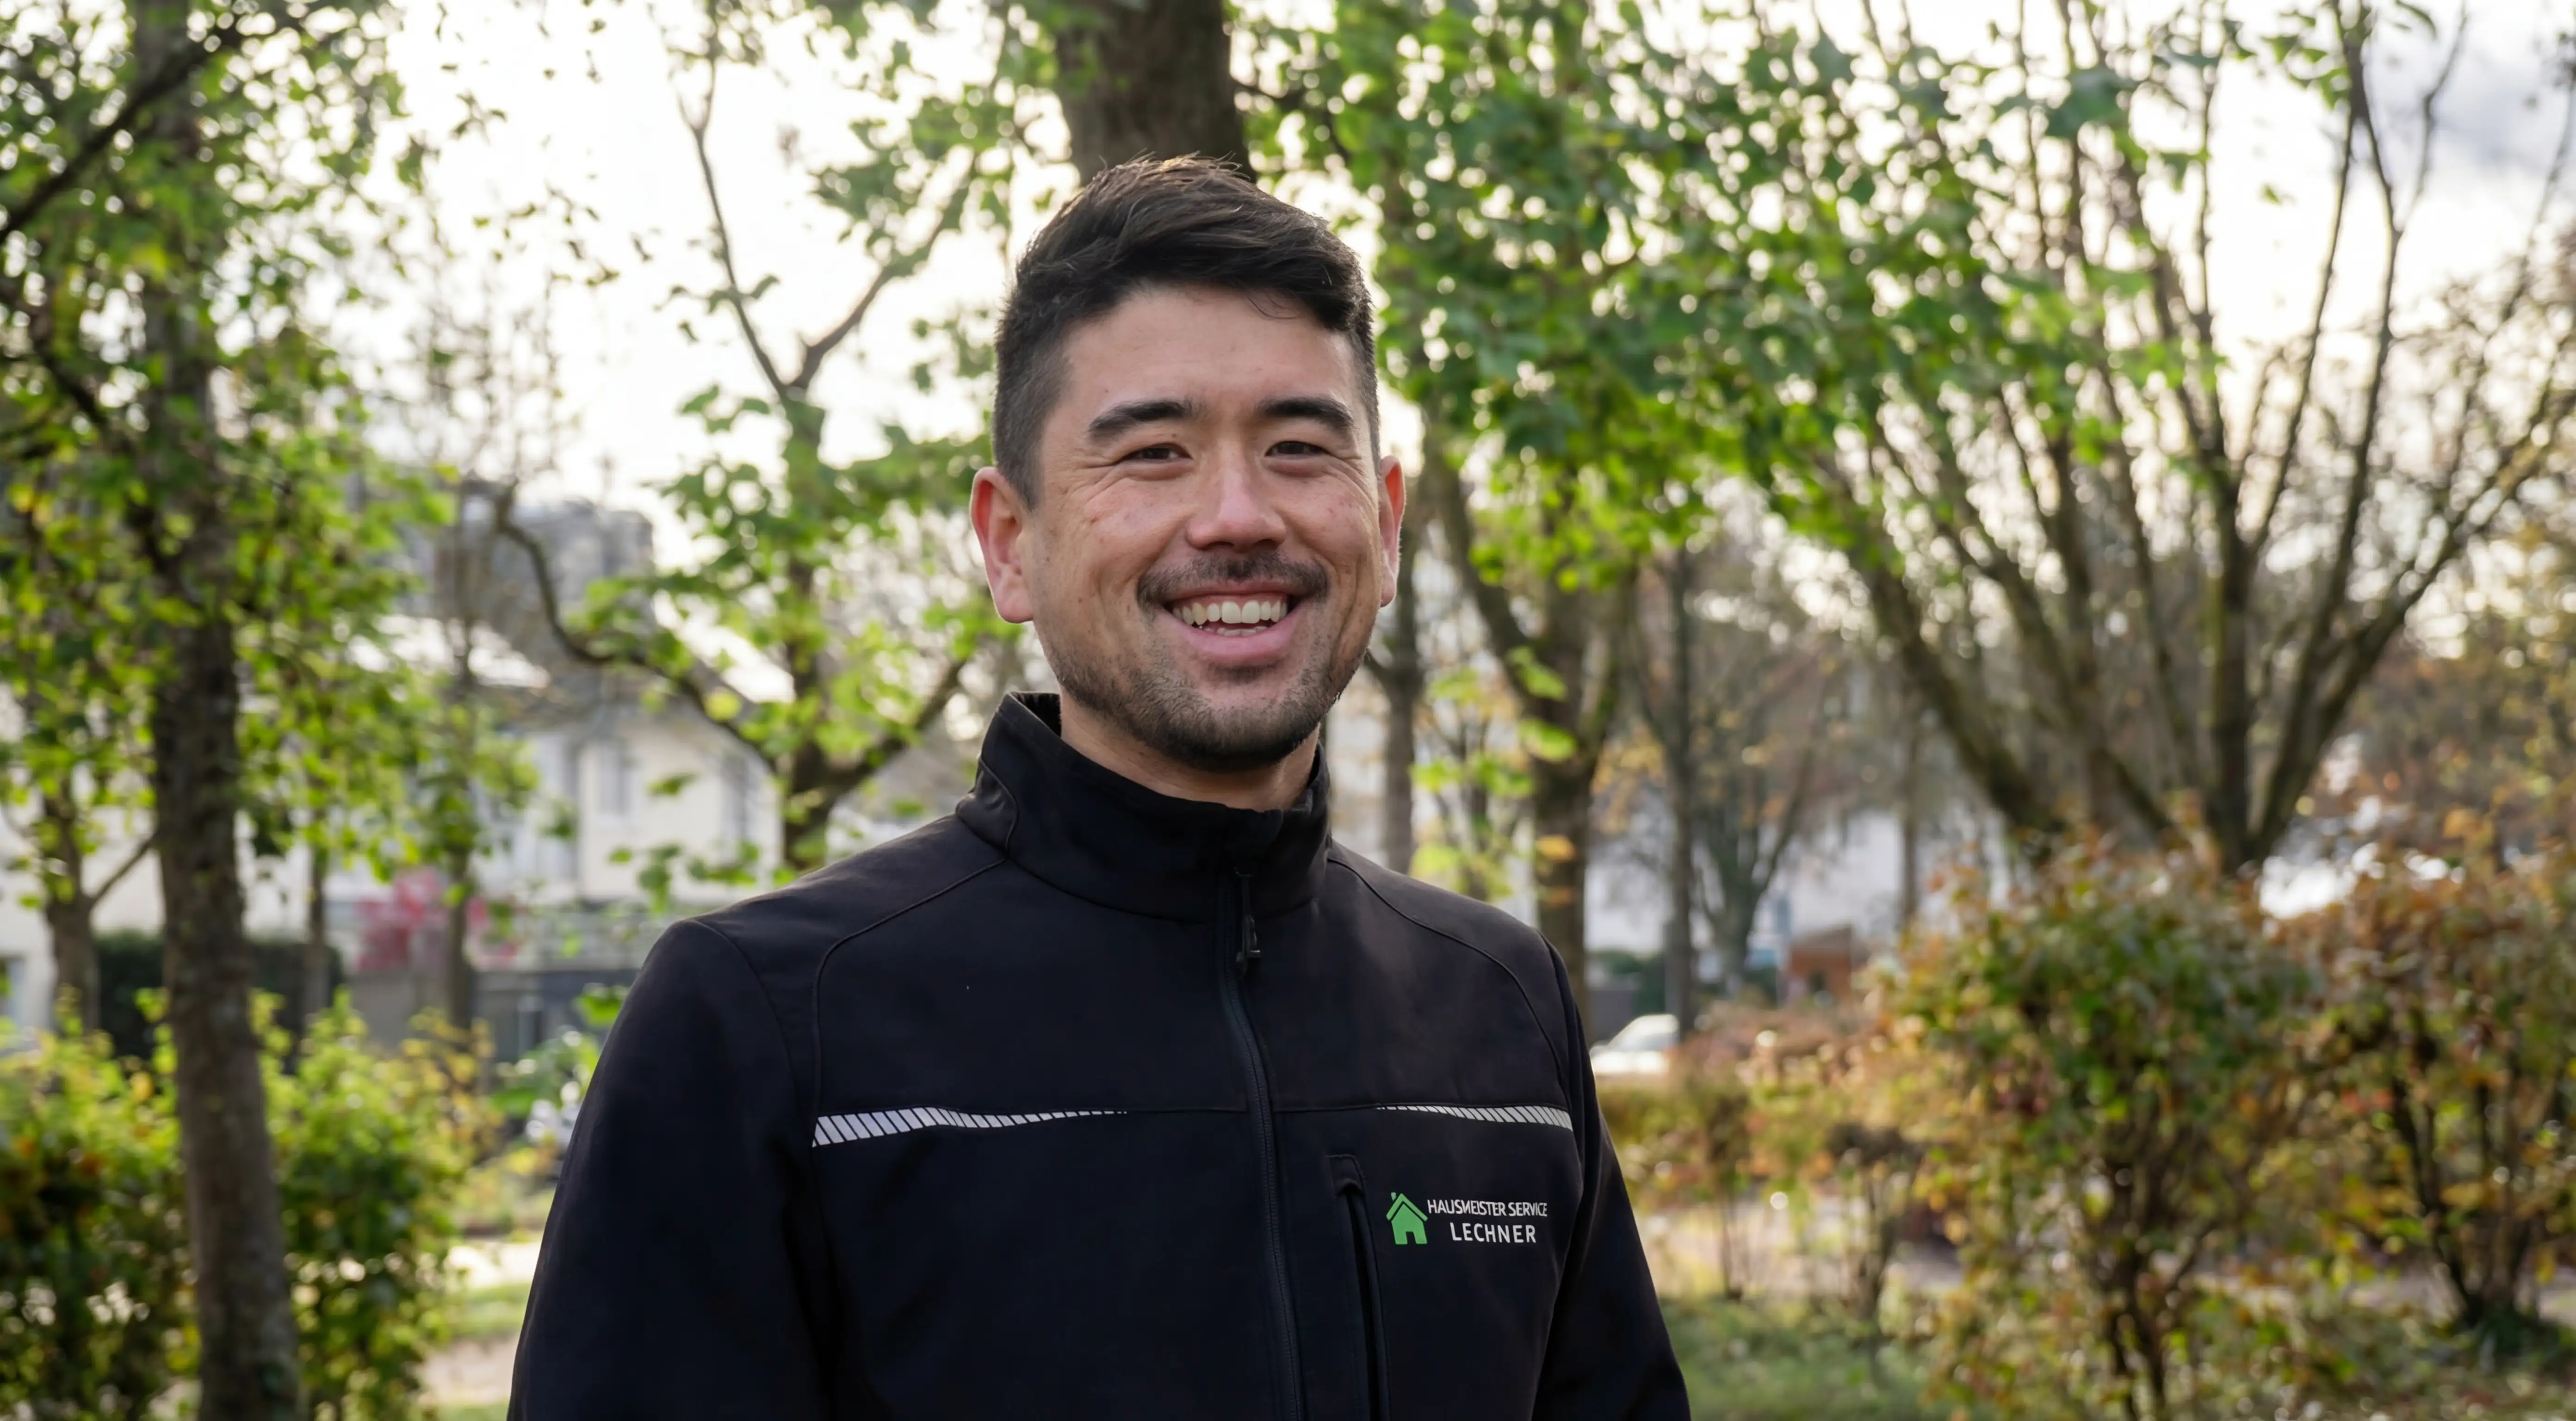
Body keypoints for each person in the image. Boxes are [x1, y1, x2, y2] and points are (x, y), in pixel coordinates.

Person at [509, 156, 1686, 1420]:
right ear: (1010, 544)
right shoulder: (767, 1028)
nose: (1237, 515)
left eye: (1299, 448)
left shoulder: (1501, 1012)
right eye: (1153, 454)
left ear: (1386, 526)